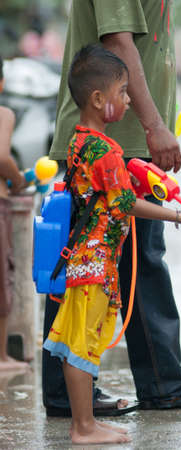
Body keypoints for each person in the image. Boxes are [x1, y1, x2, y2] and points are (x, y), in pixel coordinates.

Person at [44, 0, 181, 417]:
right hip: (117, 145)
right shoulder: (98, 151)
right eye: (121, 92)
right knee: (77, 276)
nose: (123, 94)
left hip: (125, 143)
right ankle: (75, 401)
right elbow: (118, 41)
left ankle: (156, 385)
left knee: (132, 264)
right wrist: (154, 124)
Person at [0, 55, 29, 371]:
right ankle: (2, 357)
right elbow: (1, 156)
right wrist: (18, 179)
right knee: (2, 282)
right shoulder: (3, 112)